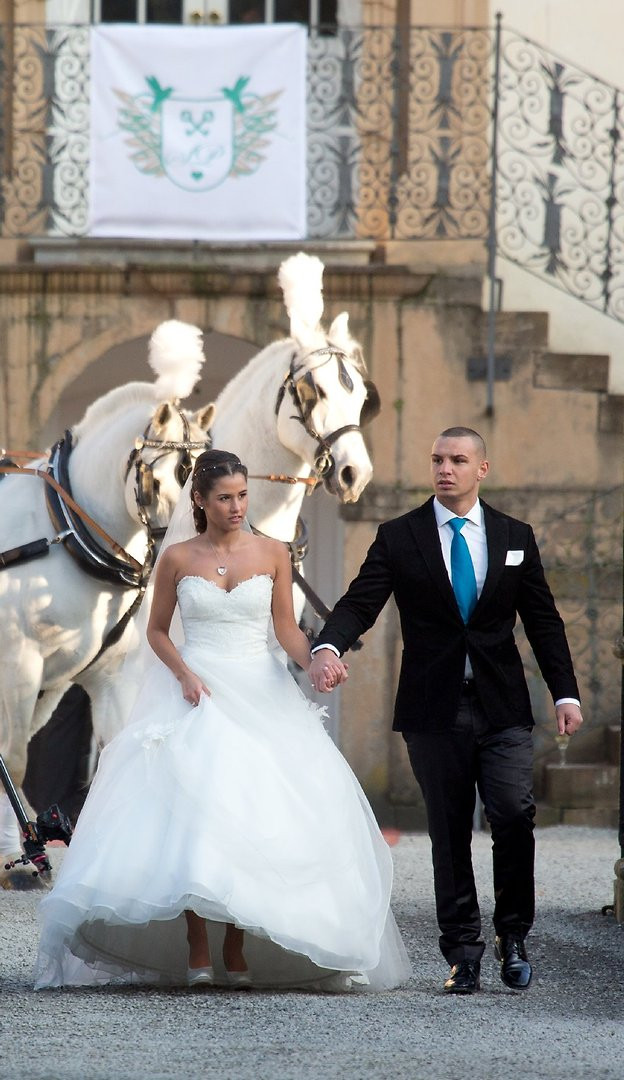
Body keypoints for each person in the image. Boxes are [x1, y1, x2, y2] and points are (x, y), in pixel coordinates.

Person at [34, 450, 411, 992]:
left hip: (260, 689)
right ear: (201, 502)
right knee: (196, 809)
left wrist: (318, 660)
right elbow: (157, 631)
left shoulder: (274, 553)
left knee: (253, 811)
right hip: (200, 688)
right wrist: (183, 674)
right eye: (225, 498)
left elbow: (285, 629)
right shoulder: (178, 558)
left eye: (242, 495)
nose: (237, 506)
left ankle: (236, 941)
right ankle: (196, 941)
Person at [309, 427, 582, 995]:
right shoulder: (399, 536)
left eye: (458, 460)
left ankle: (513, 936)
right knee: (449, 831)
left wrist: (565, 692)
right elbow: (362, 600)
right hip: (433, 707)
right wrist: (328, 645)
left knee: (512, 814)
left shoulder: (514, 536)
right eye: (437, 459)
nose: (445, 468)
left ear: (482, 468)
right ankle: (463, 952)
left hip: (502, 705)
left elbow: (543, 620)